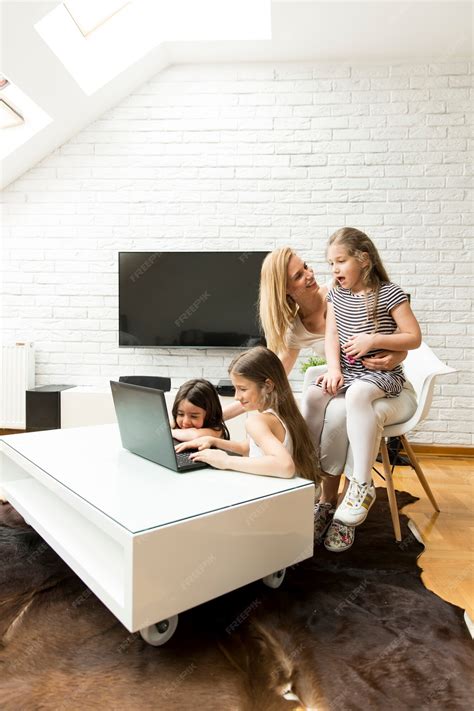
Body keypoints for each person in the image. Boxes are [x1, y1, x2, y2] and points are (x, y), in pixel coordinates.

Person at [225, 245, 417, 553]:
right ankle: (322, 493)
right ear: (284, 290)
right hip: (346, 384)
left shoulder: (341, 292)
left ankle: (344, 499)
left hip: (379, 384)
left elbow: (396, 334)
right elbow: (268, 384)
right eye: (298, 276)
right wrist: (222, 414)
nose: (311, 275)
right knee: (320, 397)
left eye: (307, 267)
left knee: (339, 411)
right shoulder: (294, 329)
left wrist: (396, 353)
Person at [309, 227, 421, 530]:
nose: (334, 269)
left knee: (358, 394)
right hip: (348, 373)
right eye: (331, 263)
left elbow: (413, 337)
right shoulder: (336, 293)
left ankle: (361, 482)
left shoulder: (389, 293)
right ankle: (307, 474)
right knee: (312, 395)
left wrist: (373, 340)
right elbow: (331, 334)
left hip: (380, 375)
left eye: (341, 261)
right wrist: (333, 369)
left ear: (364, 259)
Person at [176, 346, 322, 486]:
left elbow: (285, 466)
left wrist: (226, 461)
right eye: (235, 388)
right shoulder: (284, 414)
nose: (236, 397)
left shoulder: (256, 421)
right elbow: (247, 448)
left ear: (268, 386)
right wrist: (213, 441)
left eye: (242, 389)